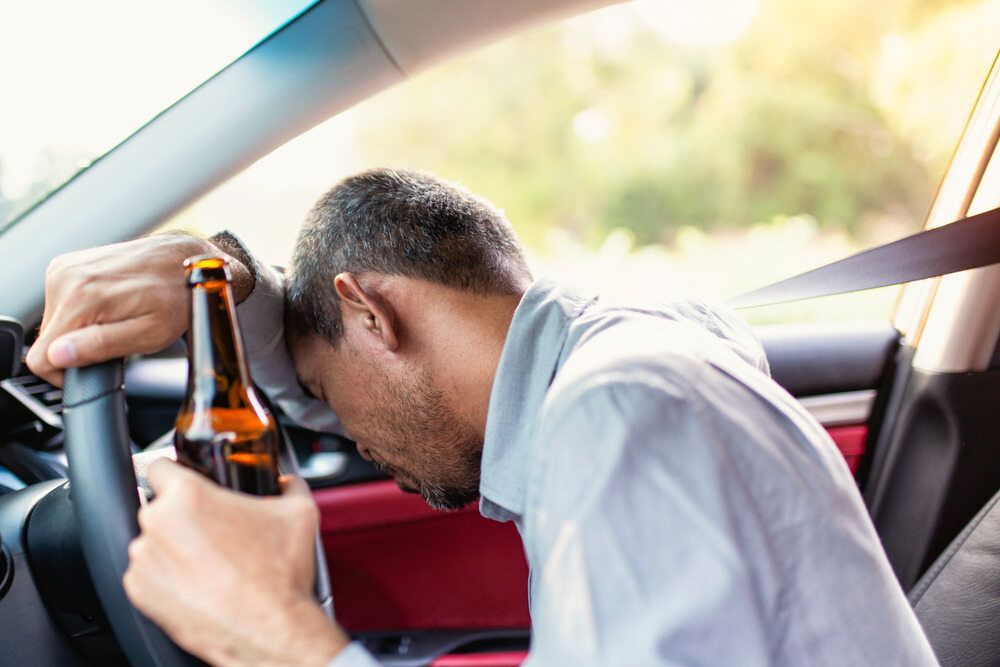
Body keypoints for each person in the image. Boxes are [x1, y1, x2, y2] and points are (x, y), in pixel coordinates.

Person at [26, 168, 937, 666]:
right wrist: (232, 280)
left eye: (330, 397)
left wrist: (280, 640)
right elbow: (336, 382)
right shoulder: (630, 343)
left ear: (374, 314)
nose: (347, 435)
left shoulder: (622, 412)